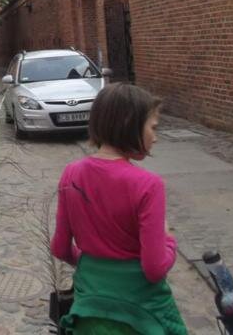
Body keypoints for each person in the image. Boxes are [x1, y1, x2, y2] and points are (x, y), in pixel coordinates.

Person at [51, 83, 187, 334]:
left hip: (90, 309)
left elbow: (60, 247)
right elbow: (155, 269)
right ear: (129, 123)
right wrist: (168, 239)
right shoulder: (148, 185)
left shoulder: (71, 174)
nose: (156, 137)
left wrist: (94, 264)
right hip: (140, 314)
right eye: (153, 127)